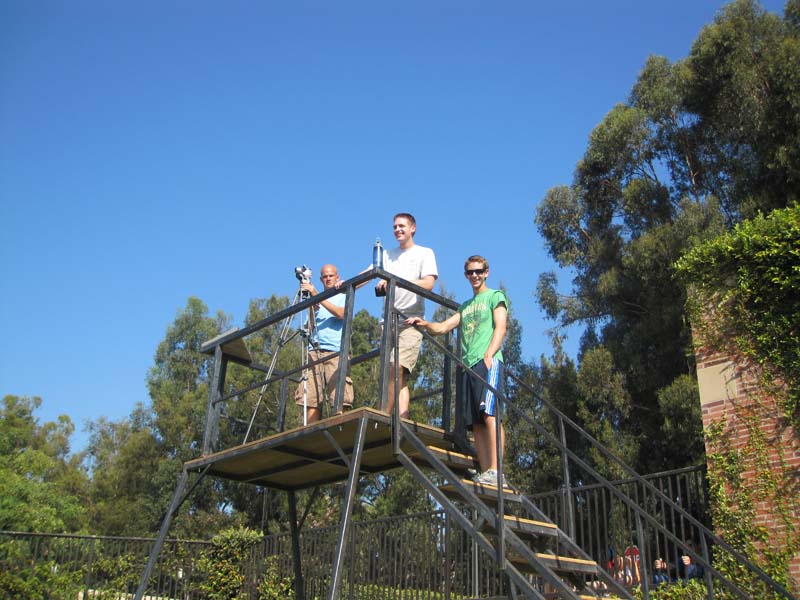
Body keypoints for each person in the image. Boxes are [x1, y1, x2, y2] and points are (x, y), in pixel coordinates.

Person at [405, 255, 508, 488]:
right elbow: (443, 327)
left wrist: (489, 354)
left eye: (478, 271)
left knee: (490, 414)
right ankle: (485, 471)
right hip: (468, 366)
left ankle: (496, 470)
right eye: (470, 272)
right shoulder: (465, 306)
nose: (475, 276)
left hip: (488, 362)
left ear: (486, 272)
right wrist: (424, 324)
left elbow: (501, 327)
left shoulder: (495, 297)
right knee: (477, 423)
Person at [294, 264, 354, 424]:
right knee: (312, 398)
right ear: (321, 279)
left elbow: (341, 313)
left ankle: (340, 432)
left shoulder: (344, 293)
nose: (328, 279)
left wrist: (318, 296)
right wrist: (313, 306)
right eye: (325, 277)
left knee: (339, 399)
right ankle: (311, 435)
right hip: (315, 351)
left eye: (331, 276)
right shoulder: (317, 298)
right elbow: (309, 328)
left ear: (337, 277)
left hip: (336, 352)